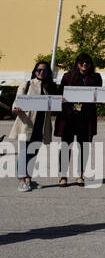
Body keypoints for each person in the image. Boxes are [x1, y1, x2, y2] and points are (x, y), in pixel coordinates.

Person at [57, 53, 101, 186]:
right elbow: (59, 94)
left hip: (86, 117)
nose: (84, 65)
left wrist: (100, 98)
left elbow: (98, 95)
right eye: (82, 62)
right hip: (69, 116)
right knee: (66, 146)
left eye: (87, 62)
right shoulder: (68, 76)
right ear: (77, 63)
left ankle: (79, 175)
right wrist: (62, 99)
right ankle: (63, 175)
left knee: (84, 147)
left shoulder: (95, 77)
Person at [11, 61, 57, 191]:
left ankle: (29, 178)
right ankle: (21, 179)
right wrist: (15, 108)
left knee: (34, 151)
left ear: (48, 73)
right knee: (23, 152)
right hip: (27, 123)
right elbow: (17, 100)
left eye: (44, 71)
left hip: (42, 124)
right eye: (39, 70)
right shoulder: (27, 84)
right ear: (35, 71)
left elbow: (55, 104)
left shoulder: (50, 87)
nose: (41, 73)